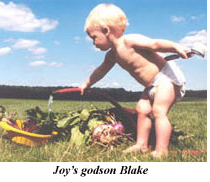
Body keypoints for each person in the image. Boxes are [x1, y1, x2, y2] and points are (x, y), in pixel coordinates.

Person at [80, 4, 191, 158]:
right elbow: (101, 70)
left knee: (159, 111)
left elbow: (155, 44)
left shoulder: (130, 41)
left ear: (106, 30)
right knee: (142, 109)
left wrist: (176, 47)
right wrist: (87, 83)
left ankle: (162, 150)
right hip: (151, 84)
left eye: (94, 37)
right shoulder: (112, 55)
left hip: (166, 76)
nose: (94, 43)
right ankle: (141, 145)